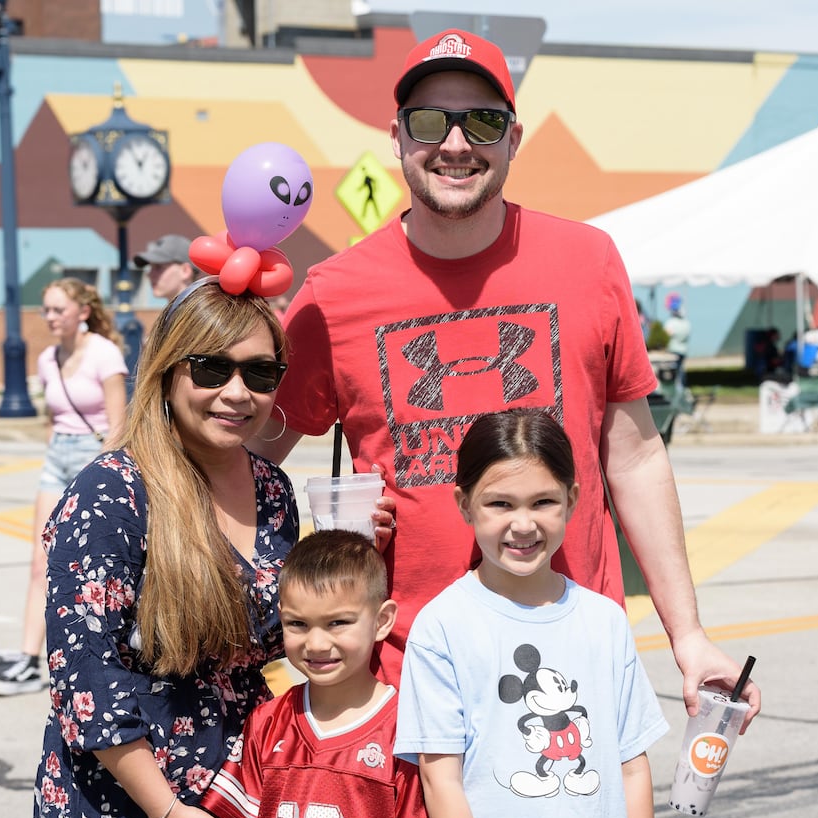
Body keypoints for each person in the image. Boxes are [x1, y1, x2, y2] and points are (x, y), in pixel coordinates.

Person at [253, 28, 759, 729]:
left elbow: (636, 456)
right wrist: (322, 537)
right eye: (430, 120)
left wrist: (690, 636)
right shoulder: (335, 294)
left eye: (482, 121)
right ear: (396, 138)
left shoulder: (588, 262)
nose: (456, 144)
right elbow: (244, 465)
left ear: (514, 139)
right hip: (410, 681)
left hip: (575, 660)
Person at [35, 279, 298, 818]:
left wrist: (350, 571)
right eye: (211, 369)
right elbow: (83, 678)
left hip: (232, 800)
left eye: (260, 373)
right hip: (123, 798)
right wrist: (166, 813)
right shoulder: (112, 491)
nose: (235, 392)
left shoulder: (273, 490)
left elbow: (279, 648)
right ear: (169, 371)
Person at [395, 411, 669, 818]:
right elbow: (440, 783)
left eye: (543, 502)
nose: (523, 524)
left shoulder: (605, 622)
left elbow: (633, 769)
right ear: (464, 504)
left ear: (573, 499)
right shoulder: (443, 626)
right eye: (500, 504)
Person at [198, 530, 432, 818]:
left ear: (382, 620)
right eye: (298, 624)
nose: (317, 642)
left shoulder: (406, 731)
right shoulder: (268, 721)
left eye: (339, 622)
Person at [0, 277, 127, 697]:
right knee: (40, 560)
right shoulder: (48, 358)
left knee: (96, 565)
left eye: (58, 310)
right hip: (58, 457)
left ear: (82, 312)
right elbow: (54, 417)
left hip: (94, 454)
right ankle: (29, 659)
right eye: (45, 310)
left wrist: (105, 473)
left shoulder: (104, 353)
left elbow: (119, 425)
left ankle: (103, 655)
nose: (50, 318)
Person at [134, 234, 197, 302]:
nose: (149, 274)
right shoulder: (175, 311)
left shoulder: (202, 311)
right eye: (151, 267)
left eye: (158, 267)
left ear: (185, 271)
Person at [663, 293, 691, 380]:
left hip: (673, 351)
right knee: (681, 370)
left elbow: (666, 334)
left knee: (675, 374)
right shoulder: (686, 322)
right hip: (683, 350)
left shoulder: (671, 323)